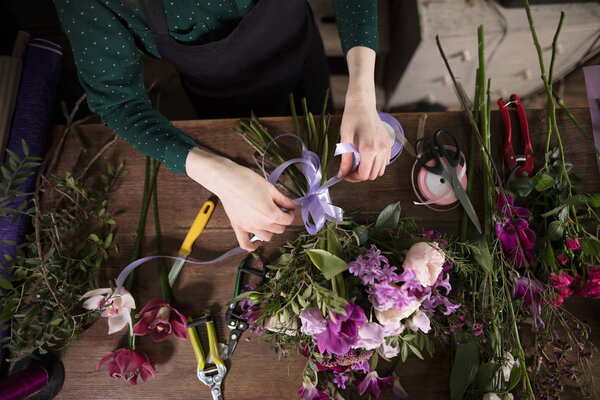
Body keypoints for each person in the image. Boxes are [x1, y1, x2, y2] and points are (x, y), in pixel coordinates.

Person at [54, 0, 393, 250]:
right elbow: (119, 102)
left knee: (320, 114)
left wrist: (361, 93)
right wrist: (221, 175)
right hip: (221, 96)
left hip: (299, 48)